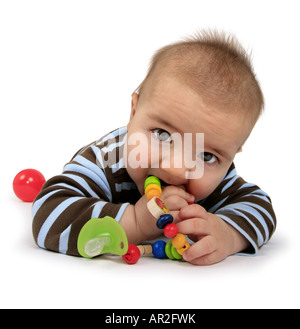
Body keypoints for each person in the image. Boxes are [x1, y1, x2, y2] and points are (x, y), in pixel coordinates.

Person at [32, 30, 276, 265]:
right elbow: (48, 213)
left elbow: (260, 206)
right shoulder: (105, 159)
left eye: (206, 155)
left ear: (232, 156)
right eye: (162, 135)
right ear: (134, 112)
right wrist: (135, 222)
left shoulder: (218, 179)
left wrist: (229, 233)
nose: (177, 169)